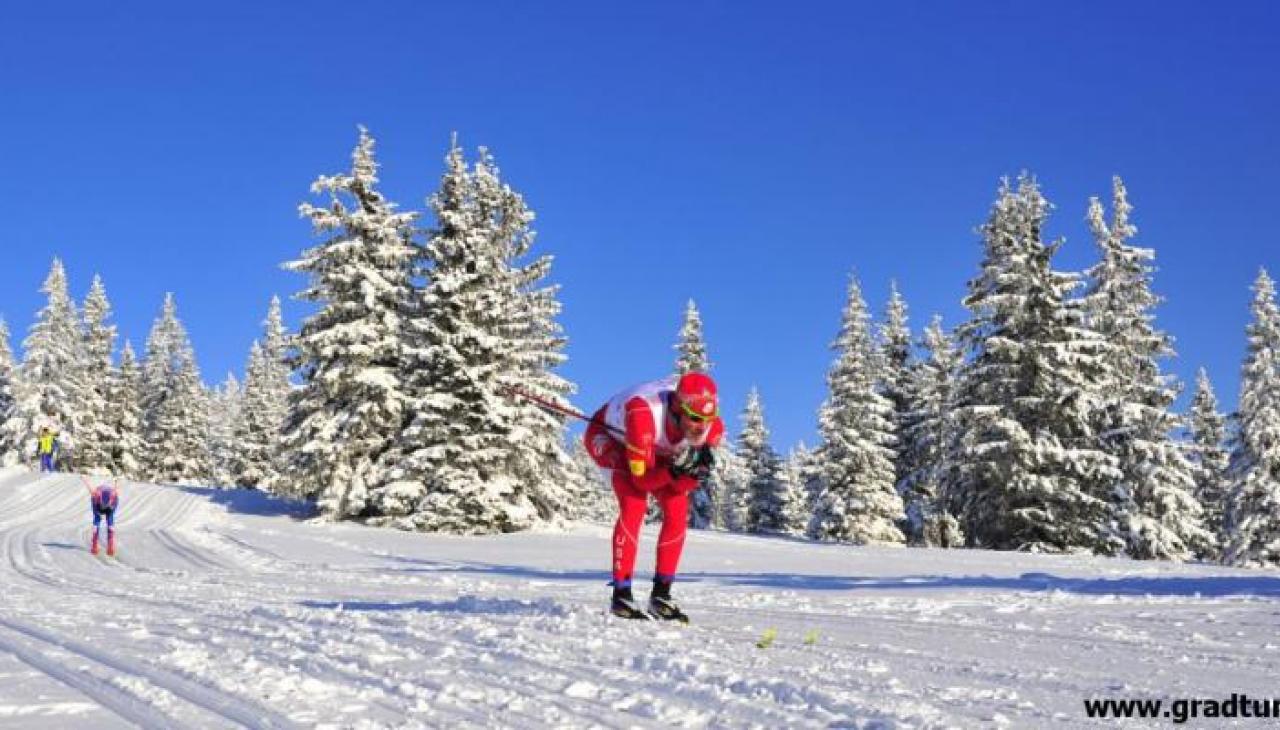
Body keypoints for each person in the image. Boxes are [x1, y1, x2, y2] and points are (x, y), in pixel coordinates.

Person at [583, 372, 723, 622]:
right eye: (694, 418)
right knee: (634, 503)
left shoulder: (710, 430)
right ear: (679, 408)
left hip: (656, 448)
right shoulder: (643, 415)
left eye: (707, 419)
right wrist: (673, 470)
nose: (701, 426)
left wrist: (694, 472)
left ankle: (661, 595)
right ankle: (621, 595)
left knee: (678, 508)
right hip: (612, 439)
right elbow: (641, 481)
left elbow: (682, 487)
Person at [82, 476, 120, 556]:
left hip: (109, 504)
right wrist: (84, 479)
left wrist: (117, 481)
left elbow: (116, 489)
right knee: (97, 522)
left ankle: (110, 544)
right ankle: (95, 544)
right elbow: (88, 486)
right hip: (100, 501)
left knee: (109, 523)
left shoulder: (114, 496)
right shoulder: (95, 495)